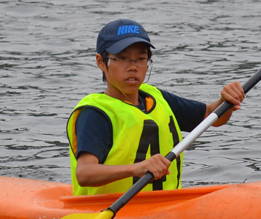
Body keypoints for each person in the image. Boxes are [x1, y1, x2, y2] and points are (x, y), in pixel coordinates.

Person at [67, 19, 245, 196]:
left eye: (141, 59)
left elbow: (212, 117)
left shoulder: (156, 98)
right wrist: (137, 168)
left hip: (164, 205)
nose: (133, 67)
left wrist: (225, 101)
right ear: (101, 62)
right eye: (122, 58)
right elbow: (85, 173)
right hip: (107, 210)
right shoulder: (95, 112)